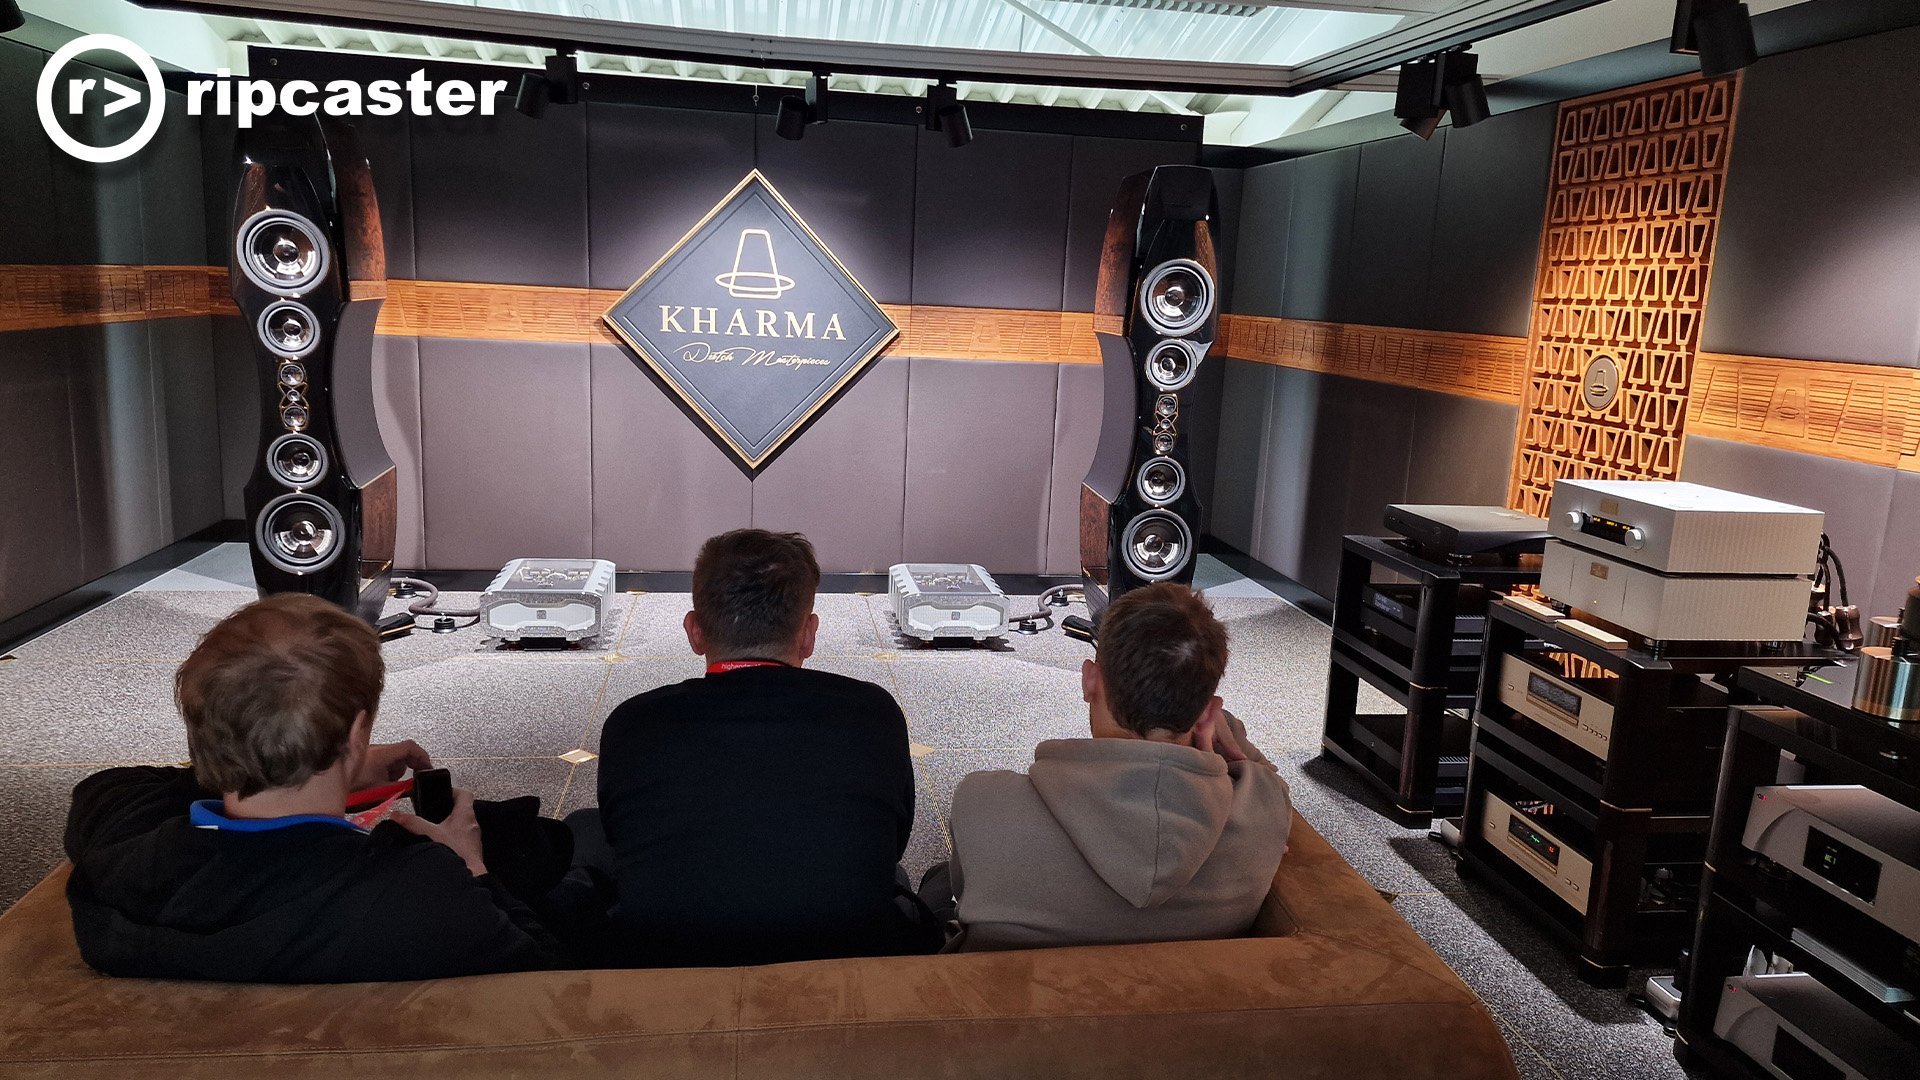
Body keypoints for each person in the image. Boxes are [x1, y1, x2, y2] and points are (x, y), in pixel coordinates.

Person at [63, 593, 561, 982]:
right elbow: (542, 968)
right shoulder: (425, 896)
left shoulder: (121, 854)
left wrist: (309, 762)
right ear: (358, 731)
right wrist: (471, 866)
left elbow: (112, 787)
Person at [580, 528, 940, 966]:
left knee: (586, 829)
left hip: (666, 957)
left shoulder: (634, 722)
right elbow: (891, 840)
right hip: (847, 952)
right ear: (809, 634)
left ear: (694, 632)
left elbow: (621, 837)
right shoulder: (872, 713)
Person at [932, 582, 1292, 951]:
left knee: (936, 884)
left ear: (1090, 680)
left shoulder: (983, 803)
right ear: (1209, 713)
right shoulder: (1264, 808)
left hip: (1012, 998)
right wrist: (1212, 720)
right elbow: (1260, 771)